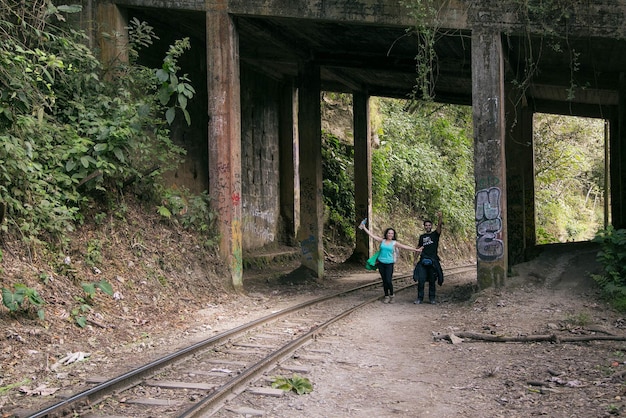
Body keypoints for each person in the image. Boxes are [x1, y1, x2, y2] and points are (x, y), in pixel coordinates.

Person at [359, 223, 421, 304]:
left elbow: (405, 247)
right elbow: (372, 235)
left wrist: (416, 250)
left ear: (393, 235)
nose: (390, 234)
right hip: (381, 263)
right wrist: (364, 228)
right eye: (389, 233)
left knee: (388, 280)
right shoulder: (382, 241)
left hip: (389, 264)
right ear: (386, 234)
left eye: (392, 233)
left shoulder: (394, 243)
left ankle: (392, 295)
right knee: (384, 281)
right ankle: (386, 296)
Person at [413, 211, 444, 305]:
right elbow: (418, 248)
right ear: (424, 226)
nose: (427, 227)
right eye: (426, 225)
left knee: (432, 280)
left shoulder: (435, 235)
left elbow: (439, 228)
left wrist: (440, 218)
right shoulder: (422, 237)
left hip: (433, 261)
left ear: (431, 226)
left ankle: (432, 298)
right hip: (423, 260)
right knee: (421, 280)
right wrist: (415, 259)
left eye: (429, 225)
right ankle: (419, 298)